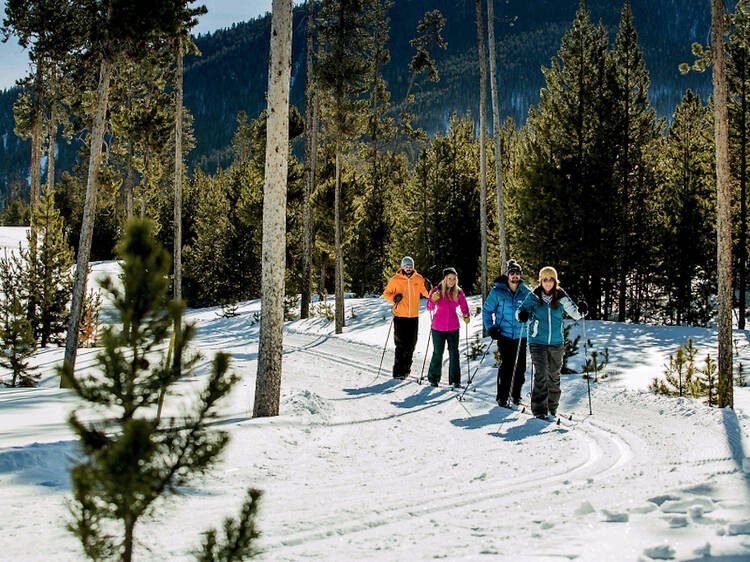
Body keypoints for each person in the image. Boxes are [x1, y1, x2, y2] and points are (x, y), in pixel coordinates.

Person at [516, 266, 588, 419]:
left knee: (554, 375)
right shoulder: (534, 296)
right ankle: (539, 409)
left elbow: (576, 314)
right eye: (545, 279)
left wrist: (582, 310)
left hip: (556, 341)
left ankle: (552, 407)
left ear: (555, 281)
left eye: (551, 279)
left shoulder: (561, 296)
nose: (548, 282)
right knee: (541, 373)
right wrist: (522, 315)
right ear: (540, 281)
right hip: (537, 340)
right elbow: (520, 312)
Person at [482, 259, 531, 407]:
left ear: (520, 276)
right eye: (512, 273)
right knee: (508, 365)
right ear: (508, 275)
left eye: (517, 274)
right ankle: (502, 396)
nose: (514, 276)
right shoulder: (497, 292)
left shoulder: (525, 292)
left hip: (521, 335)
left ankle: (516, 395)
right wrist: (490, 328)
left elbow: (532, 310)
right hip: (504, 334)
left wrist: (527, 316)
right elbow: (487, 310)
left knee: (520, 367)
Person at [383, 256, 430, 379]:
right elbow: (386, 294)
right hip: (400, 316)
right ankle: (398, 372)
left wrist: (429, 289)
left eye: (410, 266)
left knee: (411, 344)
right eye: (406, 266)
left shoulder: (418, 279)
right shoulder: (395, 280)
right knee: (400, 345)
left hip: (413, 317)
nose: (408, 268)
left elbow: (426, 293)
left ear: (413, 267)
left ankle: (406, 370)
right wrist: (394, 298)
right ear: (402, 267)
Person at [426, 267, 470, 388]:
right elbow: (429, 307)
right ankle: (433, 378)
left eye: (454, 279)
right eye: (449, 278)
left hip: (453, 327)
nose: (451, 281)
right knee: (438, 353)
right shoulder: (437, 290)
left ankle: (455, 380)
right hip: (438, 327)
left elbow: (464, 305)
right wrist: (432, 300)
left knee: (454, 353)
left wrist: (466, 314)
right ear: (445, 279)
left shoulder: (459, 292)